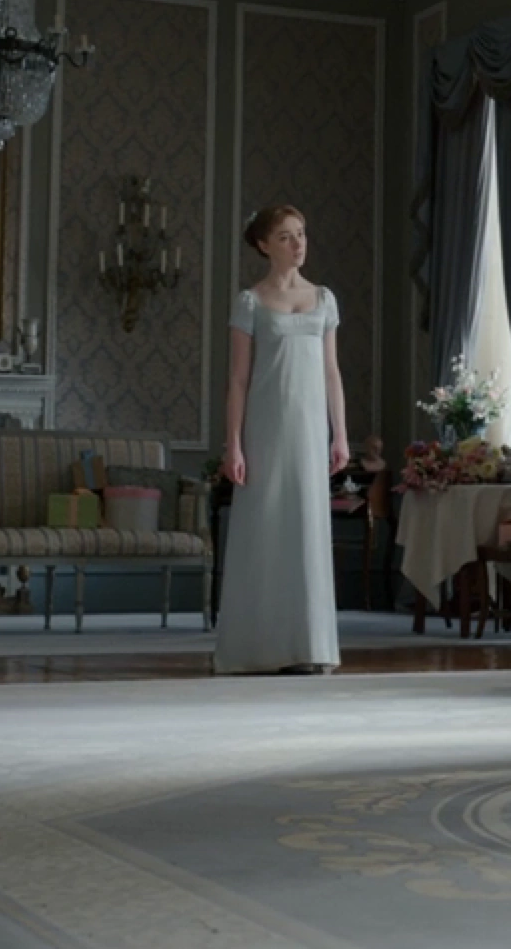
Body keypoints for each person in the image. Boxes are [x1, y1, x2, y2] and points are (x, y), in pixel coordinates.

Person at [215, 204, 348, 675]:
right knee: (266, 528)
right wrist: (234, 444)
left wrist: (340, 435)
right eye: (287, 236)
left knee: (307, 529)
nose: (298, 244)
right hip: (266, 430)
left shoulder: (324, 299)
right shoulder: (250, 302)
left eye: (302, 233)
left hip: (311, 431)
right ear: (264, 245)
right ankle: (258, 648)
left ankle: (309, 647)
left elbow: (331, 373)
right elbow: (238, 380)